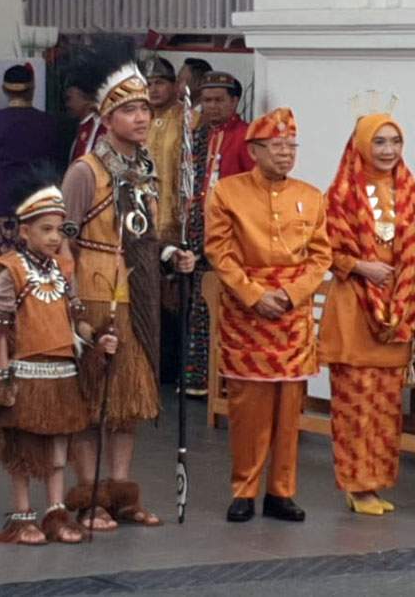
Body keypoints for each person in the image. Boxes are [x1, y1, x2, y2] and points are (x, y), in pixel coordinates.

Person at [58, 37, 195, 531]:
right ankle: (89, 497)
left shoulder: (146, 169)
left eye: (145, 109)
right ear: (107, 117)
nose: (141, 117)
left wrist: (170, 255)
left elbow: (146, 233)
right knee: (90, 403)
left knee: (128, 404)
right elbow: (60, 245)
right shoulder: (85, 171)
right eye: (131, 109)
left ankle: (120, 493)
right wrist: (69, 306)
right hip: (92, 295)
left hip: (136, 294)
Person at [205, 107, 332, 523]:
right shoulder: (227, 192)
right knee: (248, 408)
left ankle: (282, 492)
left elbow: (320, 256)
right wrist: (254, 294)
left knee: (290, 408)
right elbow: (219, 253)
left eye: (291, 146)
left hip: (292, 314)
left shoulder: (311, 196)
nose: (285, 154)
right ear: (254, 150)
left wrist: (292, 294)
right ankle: (243, 489)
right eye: (276, 147)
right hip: (247, 312)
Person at [0, 180, 116, 545]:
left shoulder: (63, 271)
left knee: (60, 447)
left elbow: (77, 321)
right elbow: (2, 328)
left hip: (61, 374)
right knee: (24, 450)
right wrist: (3, 376)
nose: (55, 237)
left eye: (59, 229)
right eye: (46, 229)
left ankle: (55, 512)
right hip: (26, 374)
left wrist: (98, 338)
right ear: (24, 231)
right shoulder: (12, 270)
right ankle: (22, 516)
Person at [319, 111, 415, 516]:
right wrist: (359, 266)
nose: (388, 150)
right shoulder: (339, 194)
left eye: (395, 142)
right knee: (355, 405)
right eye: (379, 142)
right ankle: (357, 487)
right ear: (361, 145)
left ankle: (377, 483)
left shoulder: (408, 191)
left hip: (398, 313)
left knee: (386, 408)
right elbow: (322, 249)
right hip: (354, 312)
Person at [182, 70, 253, 395]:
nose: (210, 106)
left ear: (234, 101)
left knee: (226, 309)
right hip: (198, 231)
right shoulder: (197, 136)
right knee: (199, 304)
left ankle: (225, 381)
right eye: (206, 100)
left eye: (218, 100)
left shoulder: (246, 137)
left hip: (232, 237)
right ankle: (200, 380)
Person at [0, 63, 64, 304]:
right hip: (36, 210)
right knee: (32, 277)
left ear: (5, 89)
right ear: (32, 89)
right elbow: (58, 165)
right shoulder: (50, 124)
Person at [141, 56, 195, 383]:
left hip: (176, 223)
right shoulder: (138, 120)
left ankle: (174, 370)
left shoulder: (190, 120)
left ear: (175, 85)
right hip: (144, 223)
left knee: (175, 300)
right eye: (148, 84)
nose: (153, 89)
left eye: (159, 82)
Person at [64, 54, 105, 163]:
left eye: (69, 99)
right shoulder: (82, 126)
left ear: (86, 98)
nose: (67, 105)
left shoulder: (103, 127)